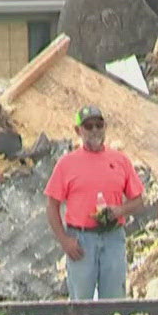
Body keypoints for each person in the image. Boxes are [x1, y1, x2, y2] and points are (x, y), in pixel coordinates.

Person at [43, 105, 146, 300]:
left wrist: (118, 211)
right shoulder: (66, 164)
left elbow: (139, 201)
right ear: (78, 131)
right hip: (81, 241)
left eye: (99, 125)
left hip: (113, 237)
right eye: (89, 126)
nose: (95, 131)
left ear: (105, 127)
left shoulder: (120, 160)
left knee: (114, 298)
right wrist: (64, 240)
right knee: (81, 300)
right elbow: (52, 205)